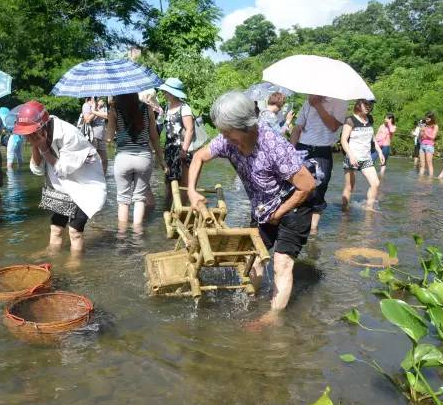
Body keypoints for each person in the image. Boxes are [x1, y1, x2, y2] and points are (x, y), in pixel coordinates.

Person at [187, 91, 315, 327]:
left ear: (244, 126)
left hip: (294, 205)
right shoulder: (227, 141)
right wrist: (192, 191)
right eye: (222, 131)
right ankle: (249, 299)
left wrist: (277, 214)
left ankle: (272, 319)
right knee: (252, 257)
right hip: (264, 207)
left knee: (282, 263)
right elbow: (198, 157)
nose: (223, 136)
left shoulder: (273, 145)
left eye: (227, 130)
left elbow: (307, 185)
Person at [11, 100, 106, 253]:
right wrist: (36, 146)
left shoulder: (68, 134)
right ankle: (51, 254)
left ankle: (75, 267)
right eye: (26, 134)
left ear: (42, 125)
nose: (28, 136)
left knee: (74, 232)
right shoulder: (37, 134)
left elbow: (64, 169)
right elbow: (37, 170)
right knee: (55, 229)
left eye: (30, 133)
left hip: (84, 185)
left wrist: (43, 148)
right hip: (59, 185)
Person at [290, 95, 348, 234]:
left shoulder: (340, 102)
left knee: (319, 189)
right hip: (302, 148)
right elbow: (298, 128)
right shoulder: (308, 101)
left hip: (322, 150)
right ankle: (296, 223)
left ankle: (313, 229)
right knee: (296, 186)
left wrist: (317, 105)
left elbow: (333, 126)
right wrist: (290, 151)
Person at [106, 93, 164, 229]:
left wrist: (115, 131)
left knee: (123, 200)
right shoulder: (147, 108)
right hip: (143, 157)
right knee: (139, 198)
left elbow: (108, 138)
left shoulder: (114, 110)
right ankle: (138, 235)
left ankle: (122, 237)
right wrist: (162, 160)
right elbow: (154, 137)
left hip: (123, 157)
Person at [340, 99, 384, 211]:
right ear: (359, 105)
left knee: (375, 183)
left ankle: (369, 209)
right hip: (352, 157)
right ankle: (344, 210)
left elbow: (372, 137)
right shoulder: (350, 120)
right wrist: (350, 155)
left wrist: (379, 151)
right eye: (366, 104)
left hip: (366, 158)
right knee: (349, 187)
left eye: (370, 105)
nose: (368, 107)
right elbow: (344, 140)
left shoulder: (370, 119)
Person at [159, 77, 195, 208]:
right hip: (169, 148)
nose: (164, 93)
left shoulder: (184, 108)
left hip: (182, 149)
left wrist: (184, 150)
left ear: (173, 93)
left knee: (183, 183)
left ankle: (183, 211)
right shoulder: (167, 107)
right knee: (168, 180)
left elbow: (190, 129)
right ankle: (168, 209)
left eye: (166, 91)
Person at [90, 98, 109, 174]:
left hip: (102, 135)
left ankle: (103, 176)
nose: (101, 99)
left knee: (104, 159)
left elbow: (107, 116)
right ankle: (93, 176)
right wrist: (97, 108)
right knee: (94, 158)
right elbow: (90, 120)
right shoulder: (92, 106)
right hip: (94, 135)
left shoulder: (105, 107)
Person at [419, 111, 438, 176]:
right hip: (422, 145)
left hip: (429, 146)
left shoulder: (435, 126)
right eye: (426, 118)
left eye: (428, 119)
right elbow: (421, 136)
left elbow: (433, 137)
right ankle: (420, 179)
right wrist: (421, 130)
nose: (426, 120)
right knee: (422, 165)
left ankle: (430, 180)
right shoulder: (425, 125)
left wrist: (425, 131)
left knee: (429, 164)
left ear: (432, 118)